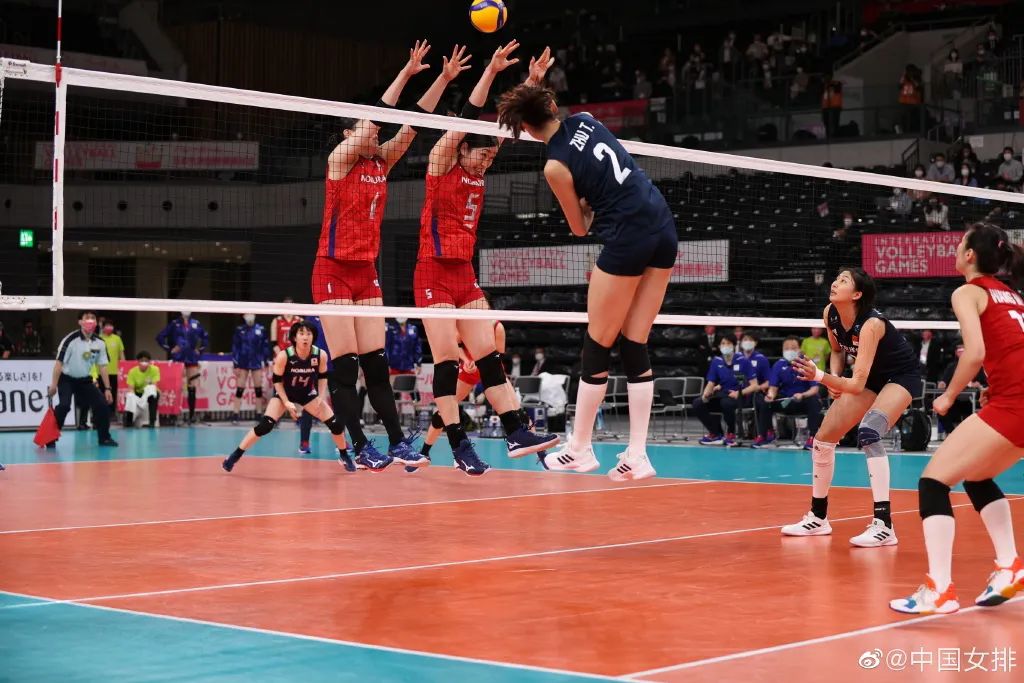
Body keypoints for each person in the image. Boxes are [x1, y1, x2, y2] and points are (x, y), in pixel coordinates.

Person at [498, 75, 679, 481]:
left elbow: (579, 227)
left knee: (597, 344)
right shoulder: (585, 119)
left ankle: (579, 450)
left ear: (525, 127)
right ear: (551, 106)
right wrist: (533, 83)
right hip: (662, 224)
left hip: (628, 235)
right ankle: (638, 454)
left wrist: (583, 203)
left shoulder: (554, 165)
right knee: (634, 342)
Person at [313, 41, 464, 472]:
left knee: (376, 366)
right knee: (345, 368)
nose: (376, 136)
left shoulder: (381, 161)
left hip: (366, 272)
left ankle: (397, 441)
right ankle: (360, 445)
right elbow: (378, 117)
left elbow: (413, 124)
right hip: (332, 270)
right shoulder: (340, 159)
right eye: (368, 130)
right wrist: (405, 73)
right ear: (350, 134)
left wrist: (442, 79)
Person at [416, 42, 558, 475]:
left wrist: (532, 82)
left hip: (464, 273)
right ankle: (459, 446)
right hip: (432, 272)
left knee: (488, 357)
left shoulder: (481, 164)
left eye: (492, 156)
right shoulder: (442, 162)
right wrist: (490, 72)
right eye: (482, 154)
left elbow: (506, 122)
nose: (487, 161)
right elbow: (467, 118)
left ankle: (515, 431)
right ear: (463, 149)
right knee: (446, 361)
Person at [891, 223, 1024, 614]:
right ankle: (1009, 566)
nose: (955, 248)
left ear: (970, 255)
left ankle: (940, 589)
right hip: (1015, 399)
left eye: (960, 243)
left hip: (1014, 404)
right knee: (978, 476)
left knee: (933, 482)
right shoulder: (1012, 295)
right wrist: (996, 385)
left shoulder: (968, 291)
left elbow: (975, 353)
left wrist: (949, 396)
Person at [786, 268, 921, 547]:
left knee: (869, 431)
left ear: (857, 294)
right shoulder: (830, 313)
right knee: (823, 439)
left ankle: (884, 525)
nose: (835, 283)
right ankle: (818, 517)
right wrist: (835, 379)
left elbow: (857, 385)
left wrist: (821, 376)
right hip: (869, 377)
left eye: (843, 281)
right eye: (837, 279)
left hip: (900, 377)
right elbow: (837, 350)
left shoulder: (872, 324)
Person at [223, 322, 362, 473]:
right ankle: (235, 455)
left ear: (313, 337)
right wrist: (286, 402)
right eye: (301, 334)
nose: (305, 337)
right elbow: (276, 381)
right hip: (285, 393)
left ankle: (343, 455)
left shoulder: (320, 355)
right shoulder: (284, 356)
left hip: (307, 394)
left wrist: (321, 396)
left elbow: (323, 377)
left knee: (336, 425)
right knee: (265, 425)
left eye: (308, 334)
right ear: (295, 337)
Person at [46, 312, 118, 447]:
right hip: (66, 379)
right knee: (64, 406)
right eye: (87, 318)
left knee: (102, 405)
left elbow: (102, 366)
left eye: (93, 318)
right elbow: (59, 363)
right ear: (80, 322)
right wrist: (54, 385)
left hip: (84, 380)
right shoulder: (70, 340)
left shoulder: (100, 343)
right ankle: (50, 438)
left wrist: (108, 388)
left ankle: (104, 438)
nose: (90, 321)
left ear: (96, 323)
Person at [753, 336, 821, 450]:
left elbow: (815, 389)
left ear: (799, 349)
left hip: (803, 400)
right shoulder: (778, 365)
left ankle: (813, 437)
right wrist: (770, 395)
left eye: (793, 348)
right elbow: (773, 387)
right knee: (765, 402)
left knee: (814, 401)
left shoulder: (808, 364)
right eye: (786, 348)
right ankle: (764, 436)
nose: (789, 350)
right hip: (786, 401)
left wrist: (802, 395)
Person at [692, 337, 758, 447]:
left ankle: (731, 433)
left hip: (740, 397)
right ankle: (716, 433)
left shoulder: (743, 361)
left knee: (726, 403)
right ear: (719, 346)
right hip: (723, 395)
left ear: (734, 346)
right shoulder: (716, 361)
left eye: (728, 343)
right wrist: (706, 394)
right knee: (698, 403)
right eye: (723, 343)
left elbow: (755, 386)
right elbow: (711, 382)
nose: (725, 346)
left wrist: (738, 393)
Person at [156, 312, 208, 424]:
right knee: (177, 387)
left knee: (192, 387)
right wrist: (169, 349)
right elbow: (160, 337)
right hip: (178, 358)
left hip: (192, 358)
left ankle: (191, 415)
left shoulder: (196, 323)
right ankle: (175, 415)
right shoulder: (174, 324)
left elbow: (205, 337)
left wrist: (200, 350)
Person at [936, 342, 986, 434]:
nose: (962, 353)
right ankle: (952, 433)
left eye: (964, 350)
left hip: (971, 400)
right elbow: (944, 381)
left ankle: (969, 434)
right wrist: (942, 383)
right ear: (956, 353)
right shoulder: (951, 367)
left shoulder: (977, 366)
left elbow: (984, 384)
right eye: (959, 351)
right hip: (954, 399)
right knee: (941, 410)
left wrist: (978, 385)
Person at [231, 314, 271, 423]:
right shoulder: (239, 330)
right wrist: (235, 364)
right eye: (247, 314)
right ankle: (235, 414)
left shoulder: (261, 329)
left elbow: (265, 346)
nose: (249, 316)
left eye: (251, 314)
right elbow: (235, 347)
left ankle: (258, 413)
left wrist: (265, 361)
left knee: (258, 389)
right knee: (240, 388)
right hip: (242, 362)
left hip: (256, 362)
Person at [124, 351, 160, 428]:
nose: (144, 363)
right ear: (138, 361)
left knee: (154, 394)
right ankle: (128, 422)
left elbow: (154, 385)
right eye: (142, 360)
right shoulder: (132, 371)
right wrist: (133, 397)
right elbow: (131, 388)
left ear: (149, 362)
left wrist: (146, 394)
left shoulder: (155, 369)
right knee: (129, 396)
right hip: (137, 393)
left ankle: (152, 421)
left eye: (146, 361)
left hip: (148, 393)